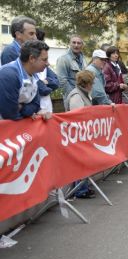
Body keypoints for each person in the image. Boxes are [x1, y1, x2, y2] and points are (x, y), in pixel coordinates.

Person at [0, 40, 51, 120]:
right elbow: (10, 114)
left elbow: (36, 105)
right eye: (44, 60)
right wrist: (27, 113)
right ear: (32, 59)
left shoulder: (33, 74)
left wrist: (21, 107)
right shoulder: (9, 75)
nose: (48, 63)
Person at [65, 70, 96, 198]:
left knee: (84, 162)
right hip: (78, 135)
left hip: (84, 134)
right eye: (92, 82)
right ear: (87, 83)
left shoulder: (83, 93)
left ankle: (83, 187)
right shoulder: (76, 96)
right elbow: (77, 117)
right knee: (80, 163)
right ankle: (80, 190)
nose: (93, 85)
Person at [56, 35, 87, 108]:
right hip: (72, 96)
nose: (76, 45)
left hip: (83, 95)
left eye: (79, 43)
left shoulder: (83, 58)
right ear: (70, 44)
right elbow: (62, 81)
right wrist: (74, 95)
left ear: (82, 45)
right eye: (74, 42)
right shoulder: (63, 59)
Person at [35, 28, 59, 113]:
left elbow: (56, 82)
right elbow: (44, 90)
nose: (47, 63)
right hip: (36, 112)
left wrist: (46, 82)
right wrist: (43, 84)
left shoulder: (44, 66)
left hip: (47, 109)